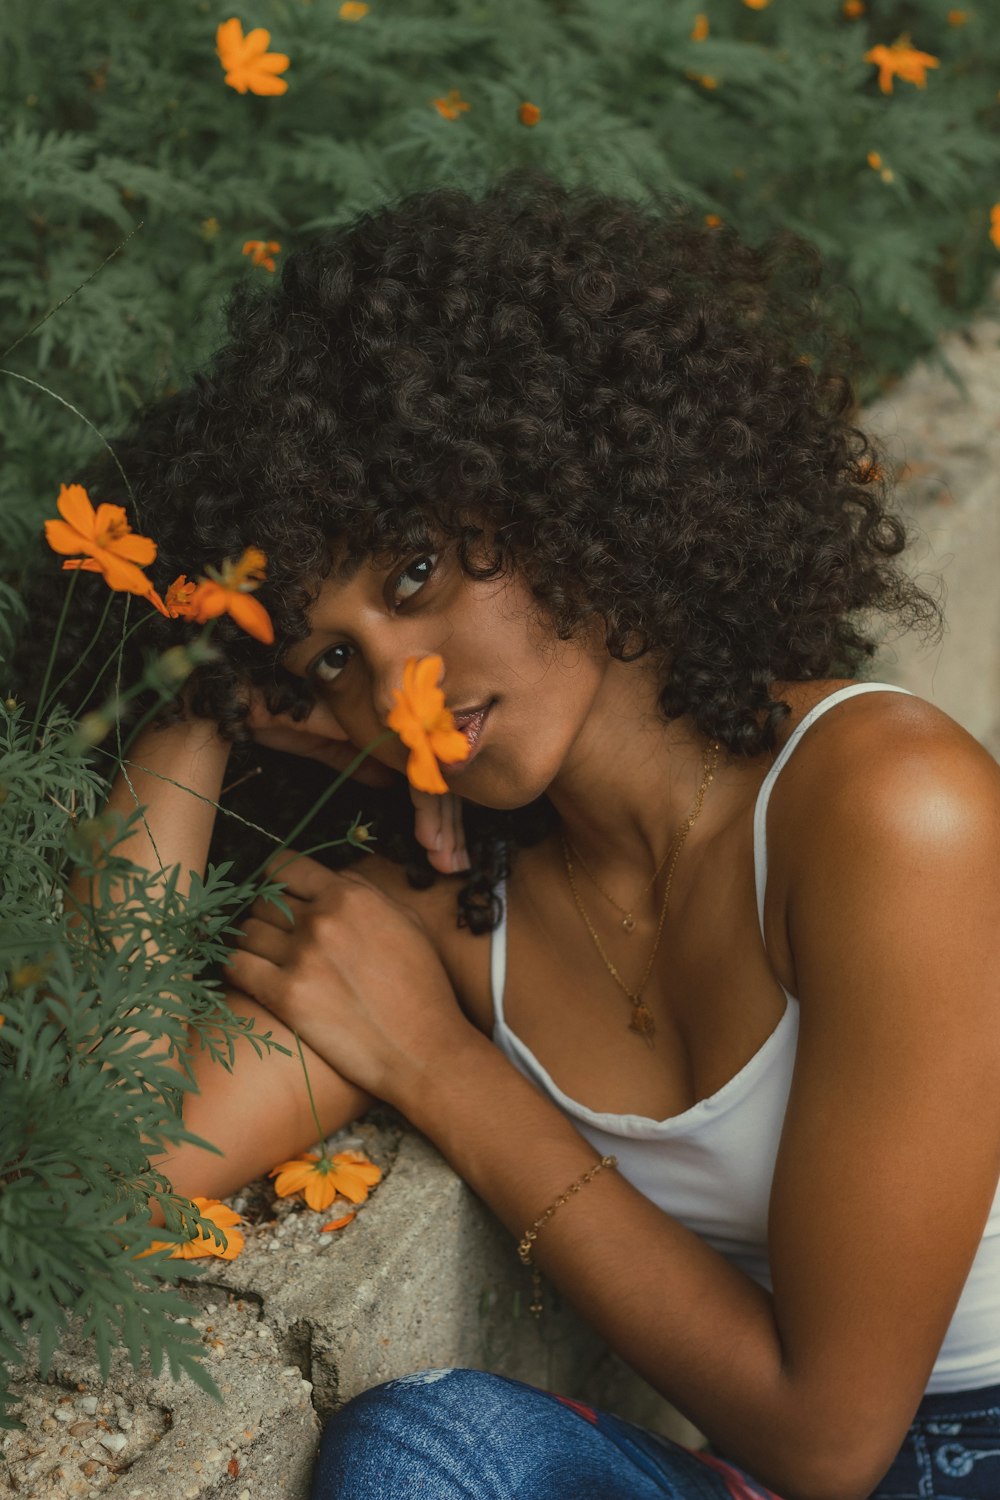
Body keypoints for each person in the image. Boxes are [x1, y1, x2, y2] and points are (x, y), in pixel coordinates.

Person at [18, 170, 1000, 1499]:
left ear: (552, 480)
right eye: (325, 663)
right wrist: (186, 697)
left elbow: (832, 1436)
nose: (392, 682)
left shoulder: (888, 806)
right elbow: (110, 1165)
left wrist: (439, 1069)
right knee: (426, 1458)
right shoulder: (431, 916)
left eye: (415, 571)